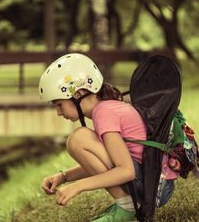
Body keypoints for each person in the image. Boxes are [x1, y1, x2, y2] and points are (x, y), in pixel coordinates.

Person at [39, 53, 176, 222]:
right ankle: (127, 204)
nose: (58, 112)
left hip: (156, 188)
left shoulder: (104, 113)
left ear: (78, 94)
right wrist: (63, 177)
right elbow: (106, 160)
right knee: (79, 139)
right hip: (155, 183)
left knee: (78, 139)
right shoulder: (106, 109)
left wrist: (77, 187)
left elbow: (126, 171)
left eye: (59, 105)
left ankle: (127, 206)